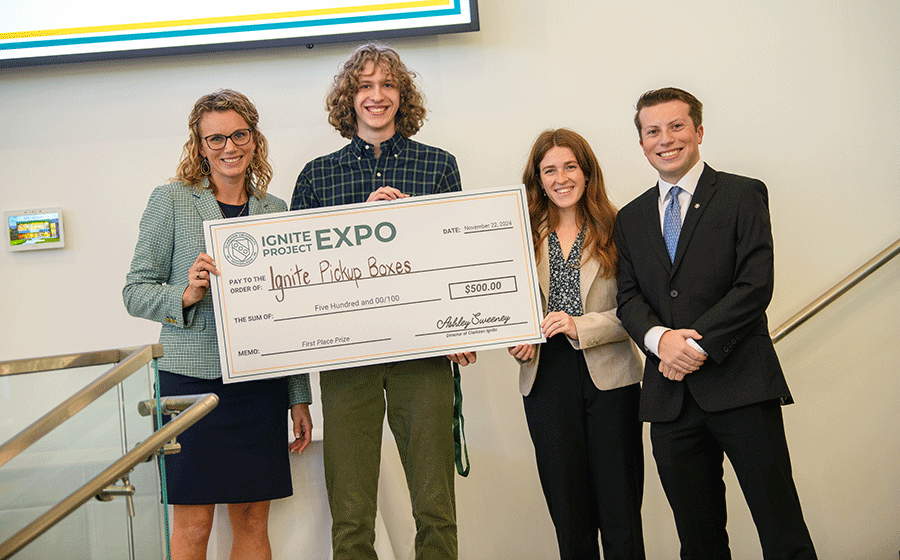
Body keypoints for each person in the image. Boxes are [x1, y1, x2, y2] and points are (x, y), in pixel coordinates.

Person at [615, 87, 817, 559]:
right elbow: (628, 298)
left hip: (742, 387)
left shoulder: (743, 193)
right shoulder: (630, 217)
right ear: (642, 142)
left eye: (676, 126)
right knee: (699, 541)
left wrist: (693, 349)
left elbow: (754, 286)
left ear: (699, 131)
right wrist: (661, 340)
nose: (665, 139)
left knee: (781, 528)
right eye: (652, 131)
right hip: (670, 404)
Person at [290, 43, 474, 560]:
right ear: (349, 98)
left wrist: (460, 326)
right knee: (350, 514)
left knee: (435, 507)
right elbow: (303, 277)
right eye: (365, 85)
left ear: (402, 95)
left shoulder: (439, 166)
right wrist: (361, 223)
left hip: (424, 357)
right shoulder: (316, 176)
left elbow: (456, 257)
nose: (377, 96)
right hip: (348, 361)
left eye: (388, 85)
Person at [123, 89, 313, 560]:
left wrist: (298, 397)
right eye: (215, 139)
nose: (229, 147)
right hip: (190, 384)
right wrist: (186, 294)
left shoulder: (276, 211)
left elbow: (289, 315)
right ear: (199, 145)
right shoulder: (170, 201)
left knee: (252, 518)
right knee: (193, 521)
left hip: (259, 384)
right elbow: (134, 291)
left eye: (239, 134)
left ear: (254, 137)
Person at [508, 129, 646, 560]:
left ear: (587, 172)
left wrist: (578, 325)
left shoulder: (620, 227)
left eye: (570, 166)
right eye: (549, 169)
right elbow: (503, 303)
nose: (561, 177)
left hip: (610, 380)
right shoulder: (520, 234)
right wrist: (516, 336)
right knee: (569, 515)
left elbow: (637, 309)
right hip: (545, 380)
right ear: (538, 178)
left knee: (621, 514)